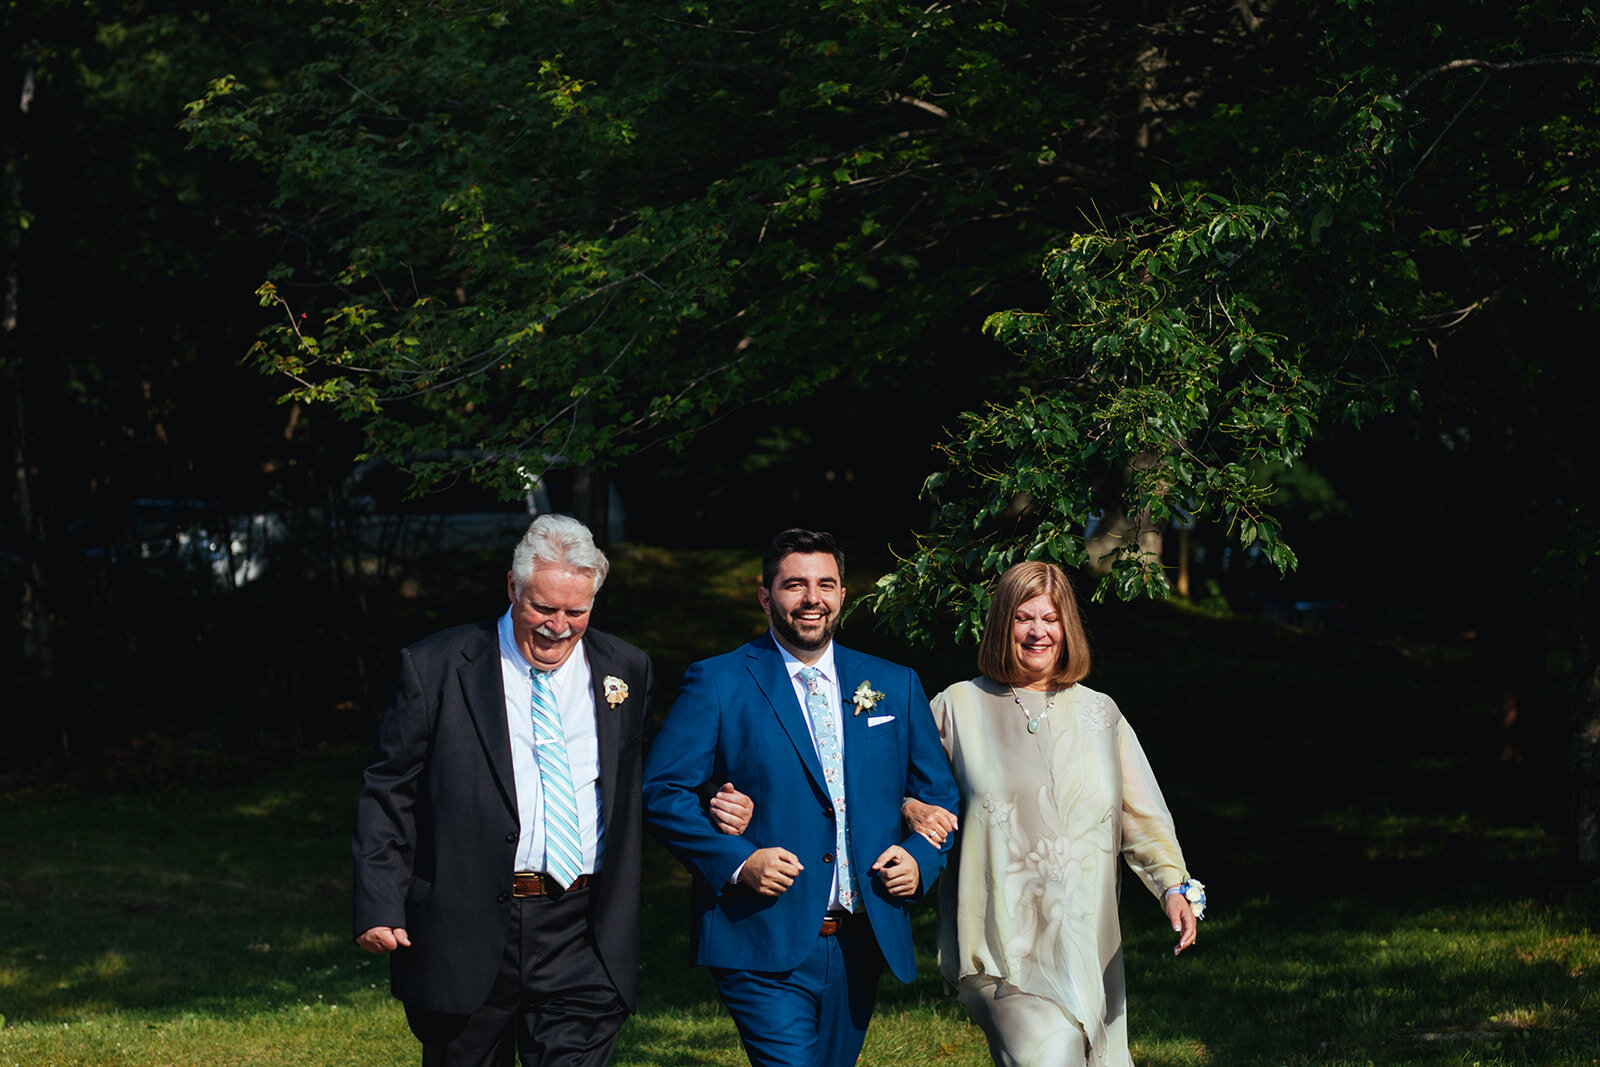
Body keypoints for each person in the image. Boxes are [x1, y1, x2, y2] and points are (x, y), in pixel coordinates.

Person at [642, 527, 960, 1067]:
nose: (812, 599)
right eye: (795, 585)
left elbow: (938, 794)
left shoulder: (893, 683)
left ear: (842, 595)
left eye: (826, 584)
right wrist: (739, 862)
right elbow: (662, 791)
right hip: (761, 936)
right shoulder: (719, 681)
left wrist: (921, 857)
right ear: (766, 596)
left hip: (863, 938)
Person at [351, 514, 654, 1066]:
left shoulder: (626, 668)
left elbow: (647, 778)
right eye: (542, 607)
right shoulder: (437, 667)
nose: (557, 626)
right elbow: (389, 792)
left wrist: (716, 797)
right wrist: (379, 901)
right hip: (465, 927)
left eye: (575, 612)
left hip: (582, 931)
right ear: (512, 588)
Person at [903, 560, 1205, 1067]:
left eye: (1051, 618)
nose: (1038, 631)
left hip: (1084, 942)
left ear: (1068, 628)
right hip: (998, 947)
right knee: (1054, 1055)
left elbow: (1142, 815)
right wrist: (911, 808)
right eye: (1024, 617)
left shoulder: (1101, 713)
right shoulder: (957, 707)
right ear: (1003, 624)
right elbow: (895, 788)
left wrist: (1173, 886)